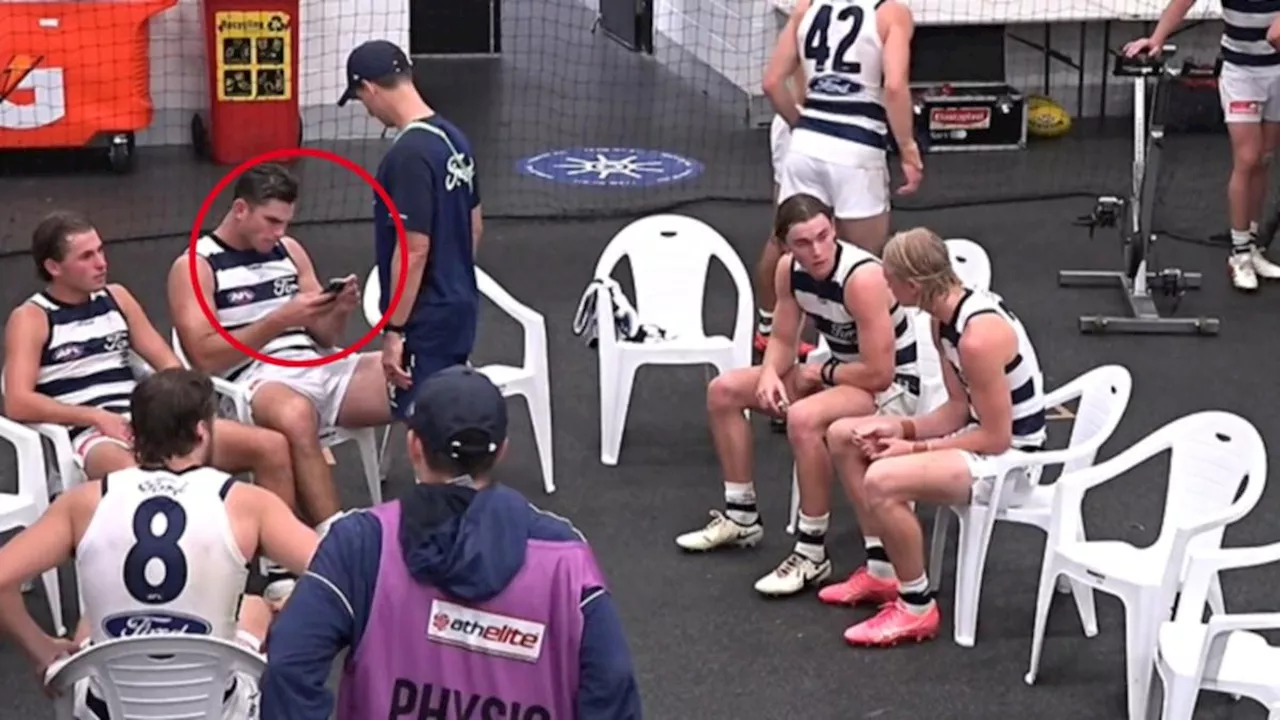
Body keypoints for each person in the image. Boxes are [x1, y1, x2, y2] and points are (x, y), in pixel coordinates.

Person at [258, 366, 642, 720]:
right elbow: (613, 683)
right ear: (503, 449)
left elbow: (289, 664)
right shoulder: (564, 557)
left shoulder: (362, 543)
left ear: (414, 446)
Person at [0, 368, 319, 719]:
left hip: (107, 709)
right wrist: (289, 620)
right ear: (202, 431)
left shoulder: (82, 503)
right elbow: (335, 572)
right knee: (255, 607)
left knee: (94, 617)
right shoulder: (248, 503)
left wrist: (43, 650)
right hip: (216, 708)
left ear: (133, 435)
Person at [675, 194, 921, 598]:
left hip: (891, 389)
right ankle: (742, 516)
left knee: (804, 418)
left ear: (835, 230)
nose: (817, 250)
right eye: (804, 243)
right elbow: (784, 338)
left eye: (824, 236)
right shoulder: (790, 271)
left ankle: (811, 552)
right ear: (785, 246)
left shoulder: (861, 278)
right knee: (724, 391)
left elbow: (880, 374)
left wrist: (820, 372)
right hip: (838, 374)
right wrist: (772, 372)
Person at [824, 227, 1046, 646]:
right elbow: (958, 409)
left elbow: (997, 438)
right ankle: (883, 571)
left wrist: (915, 448)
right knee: (844, 437)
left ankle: (916, 607)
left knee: (882, 479)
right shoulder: (942, 323)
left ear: (912, 284)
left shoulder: (978, 338)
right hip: (982, 439)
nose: (885, 288)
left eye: (889, 280)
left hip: (1014, 460)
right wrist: (899, 427)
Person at [3, 210, 295, 501]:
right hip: (91, 436)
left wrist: (183, 407)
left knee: (270, 445)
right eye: (86, 257)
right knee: (147, 483)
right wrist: (95, 417)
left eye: (101, 251)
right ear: (54, 266)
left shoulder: (117, 298)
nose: (101, 263)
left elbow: (168, 365)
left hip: (147, 419)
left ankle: (274, 543)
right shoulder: (32, 318)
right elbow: (18, 402)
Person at [167, 163, 392, 536]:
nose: (279, 232)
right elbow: (204, 356)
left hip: (318, 362)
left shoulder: (289, 250)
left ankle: (446, 507)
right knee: (296, 415)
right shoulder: (195, 266)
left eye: (285, 222)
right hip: (255, 378)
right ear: (240, 210)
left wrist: (337, 309)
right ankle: (333, 538)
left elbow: (323, 337)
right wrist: (279, 320)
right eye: (271, 221)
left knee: (409, 376)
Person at [337, 39, 484, 417]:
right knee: (449, 411)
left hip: (425, 317)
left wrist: (395, 329)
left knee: (429, 422)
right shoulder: (455, 139)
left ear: (369, 87)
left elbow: (413, 251)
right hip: (459, 306)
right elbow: (474, 227)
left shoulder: (408, 155)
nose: (368, 111)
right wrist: (453, 278)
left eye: (361, 99)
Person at [1126, 2, 1280, 291]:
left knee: (1264, 158)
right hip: (1242, 74)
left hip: (1278, 71)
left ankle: (1253, 246)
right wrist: (1157, 38)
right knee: (1247, 159)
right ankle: (1240, 254)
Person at [763, 0, 922, 258]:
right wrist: (907, 148)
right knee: (863, 262)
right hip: (857, 152)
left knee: (793, 256)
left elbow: (772, 83)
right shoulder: (891, 13)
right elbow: (894, 87)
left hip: (805, 147)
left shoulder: (807, 7)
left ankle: (773, 300)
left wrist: (802, 125)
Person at [757, 46, 817, 362]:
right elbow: (804, 87)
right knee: (784, 232)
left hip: (818, 130)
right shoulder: (809, 13)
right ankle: (769, 328)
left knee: (819, 230)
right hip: (803, 127)